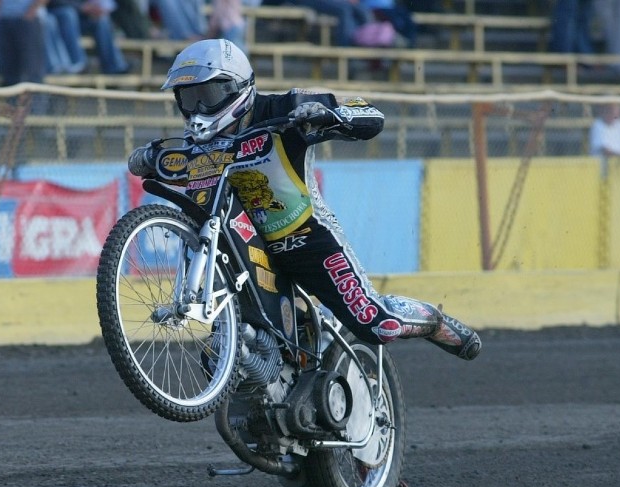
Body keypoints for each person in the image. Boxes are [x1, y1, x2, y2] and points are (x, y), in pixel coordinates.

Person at [127, 39, 482, 360]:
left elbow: (371, 115)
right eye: (189, 99)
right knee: (218, 358)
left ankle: (433, 321)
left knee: (376, 323)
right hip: (245, 253)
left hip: (307, 239)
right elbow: (146, 160)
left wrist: (331, 114)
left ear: (236, 88)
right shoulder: (189, 149)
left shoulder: (286, 106)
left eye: (208, 95)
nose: (199, 108)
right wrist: (143, 157)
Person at [47, 0, 130, 74]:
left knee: (102, 20)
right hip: (58, 14)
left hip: (79, 17)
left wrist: (96, 8)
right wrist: (81, 7)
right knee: (68, 14)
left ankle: (114, 67)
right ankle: (78, 65)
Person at [0, 0, 46, 85]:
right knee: (9, 68)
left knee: (31, 68)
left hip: (28, 20)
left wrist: (32, 10)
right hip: (5, 18)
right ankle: (12, 97)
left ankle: (35, 97)